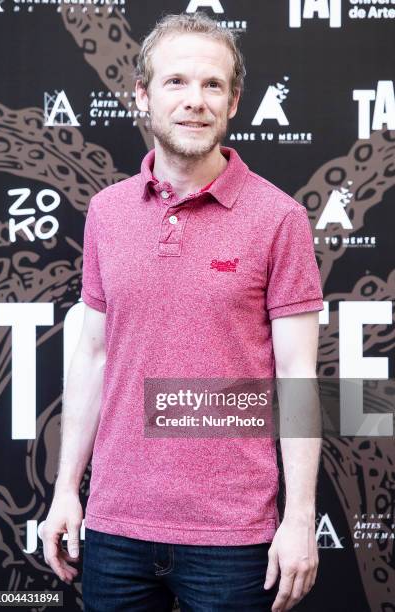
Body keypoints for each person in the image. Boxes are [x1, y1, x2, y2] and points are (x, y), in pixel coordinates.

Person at [43, 11, 324, 612]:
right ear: (143, 96)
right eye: (176, 82)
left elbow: (298, 379)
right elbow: (92, 357)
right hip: (115, 526)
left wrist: (300, 519)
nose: (194, 101)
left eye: (212, 85)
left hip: (233, 538)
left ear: (234, 101)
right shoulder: (108, 213)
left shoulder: (279, 219)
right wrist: (67, 489)